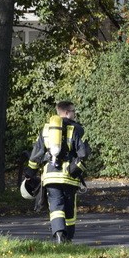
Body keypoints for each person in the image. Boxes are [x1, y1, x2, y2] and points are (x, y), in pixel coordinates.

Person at [24, 101, 91, 243]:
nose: (75, 114)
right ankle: (68, 237)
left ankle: (59, 234)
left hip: (50, 176)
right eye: (73, 111)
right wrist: (77, 168)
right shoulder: (76, 129)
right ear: (67, 112)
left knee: (55, 206)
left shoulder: (46, 129)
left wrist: (30, 173)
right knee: (69, 207)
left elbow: (37, 154)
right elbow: (83, 153)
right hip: (69, 176)